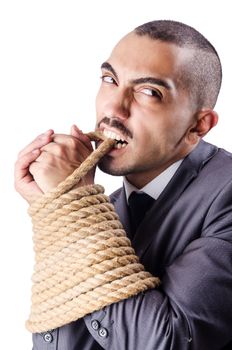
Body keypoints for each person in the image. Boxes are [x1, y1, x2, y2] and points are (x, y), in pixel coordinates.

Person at [14, 20, 232, 350]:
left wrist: (73, 210)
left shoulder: (227, 194)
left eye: (149, 92)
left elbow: (168, 341)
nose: (114, 108)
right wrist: (57, 212)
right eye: (110, 80)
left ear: (198, 125)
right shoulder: (105, 207)